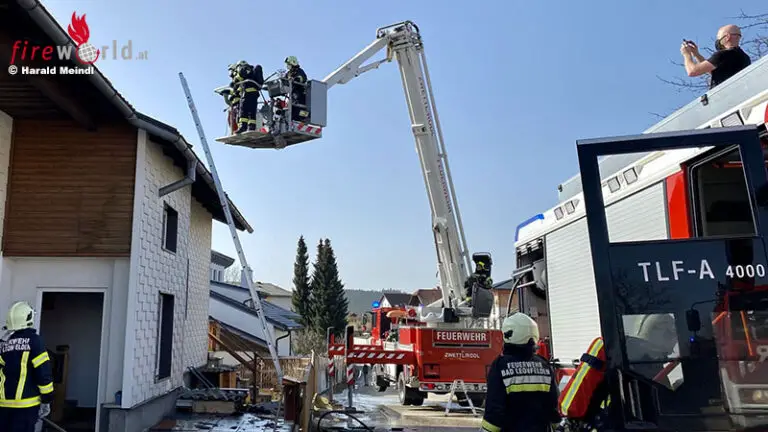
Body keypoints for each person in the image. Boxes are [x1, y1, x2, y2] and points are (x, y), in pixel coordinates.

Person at [482, 313, 560, 432]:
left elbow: (495, 409)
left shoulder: (500, 366)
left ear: (508, 335)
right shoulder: (544, 365)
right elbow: (553, 404)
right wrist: (556, 424)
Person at [0, 302, 54, 432]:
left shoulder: (3, 344)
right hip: (26, 406)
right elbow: (43, 373)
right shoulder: (35, 341)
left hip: (3, 405)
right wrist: (47, 400)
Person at [681, 24, 751, 89]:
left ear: (727, 37)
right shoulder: (745, 58)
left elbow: (692, 71)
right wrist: (696, 54)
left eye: (719, 38)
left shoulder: (723, 55)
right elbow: (713, 69)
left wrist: (686, 54)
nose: (718, 41)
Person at [233, 61, 265, 134]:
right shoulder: (251, 70)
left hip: (248, 94)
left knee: (244, 110)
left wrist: (236, 79)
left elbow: (242, 75)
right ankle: (251, 127)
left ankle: (243, 127)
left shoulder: (246, 69)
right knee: (251, 111)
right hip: (251, 94)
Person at [284, 56, 309, 121]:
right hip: (292, 95)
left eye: (288, 64)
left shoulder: (300, 71)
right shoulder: (288, 73)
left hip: (300, 94)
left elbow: (302, 78)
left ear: (293, 63)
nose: (287, 66)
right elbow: (284, 81)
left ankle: (301, 118)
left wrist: (295, 79)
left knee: (298, 109)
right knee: (291, 109)